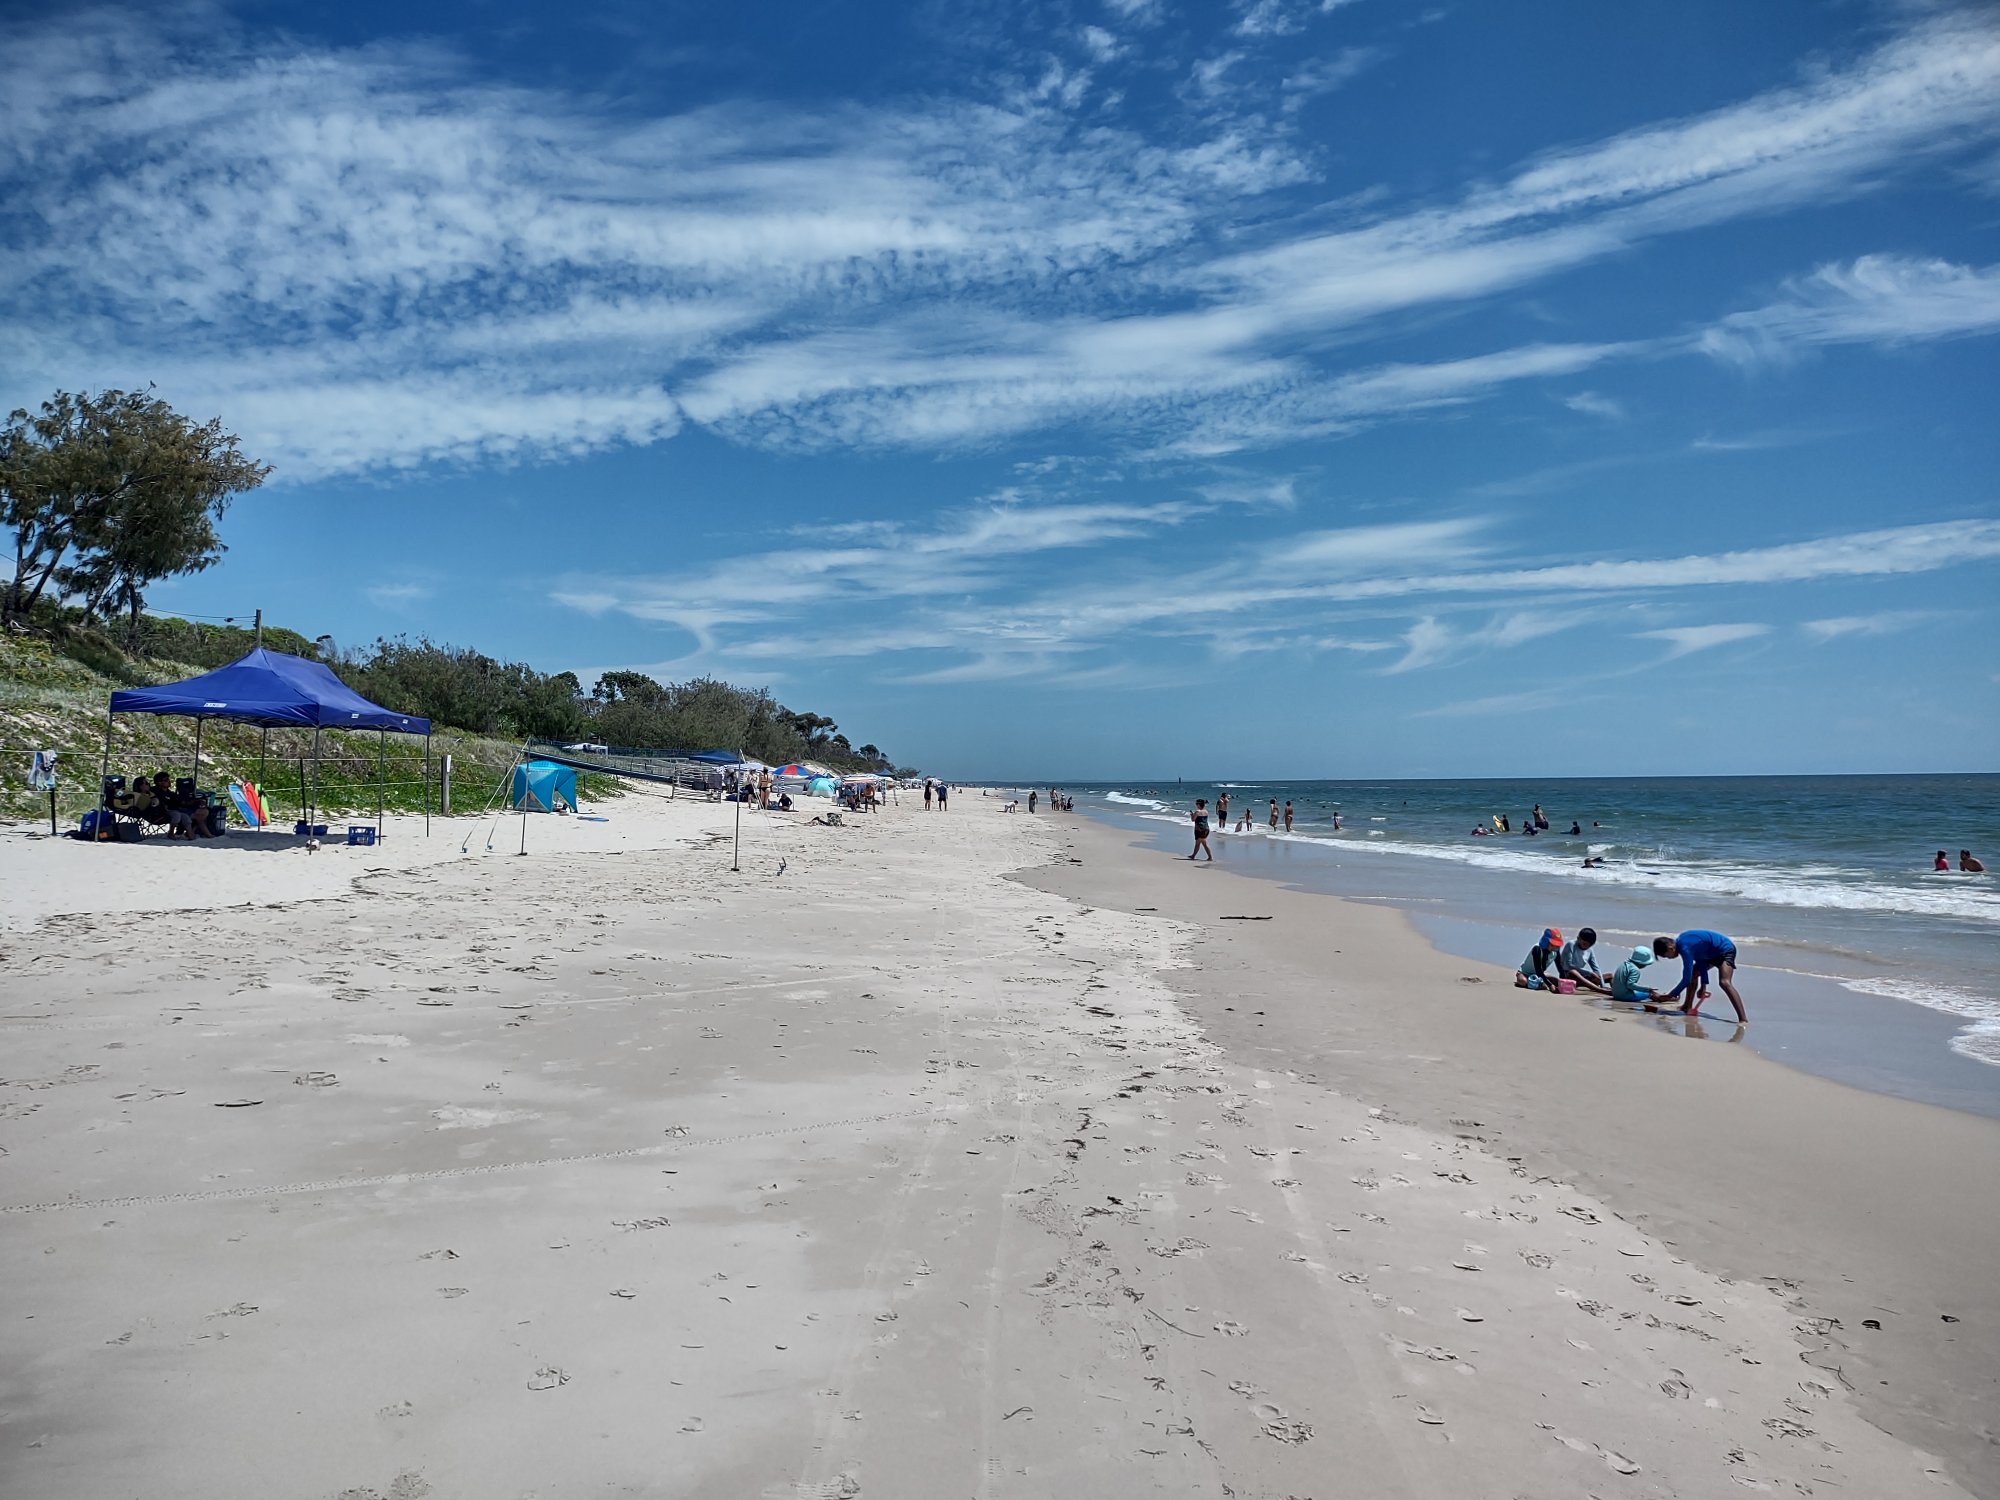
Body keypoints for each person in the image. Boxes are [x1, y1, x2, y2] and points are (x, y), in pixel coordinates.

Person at [1650, 930, 1745, 1022]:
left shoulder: (1685, 948)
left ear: (1671, 948)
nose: (1669, 959)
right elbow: (1701, 961)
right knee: (1694, 973)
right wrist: (1703, 986)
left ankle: (1743, 1018)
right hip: (1710, 955)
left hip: (1726, 950)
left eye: (1667, 956)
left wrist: (1670, 995)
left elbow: (1686, 979)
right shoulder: (1683, 943)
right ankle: (1687, 1006)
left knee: (1724, 982)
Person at [1557, 928, 1611, 994]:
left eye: (1589, 945)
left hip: (1583, 978)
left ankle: (1615, 992)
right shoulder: (1571, 944)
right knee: (1573, 972)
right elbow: (1569, 965)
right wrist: (1589, 973)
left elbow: (1596, 968)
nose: (1586, 947)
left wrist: (1602, 984)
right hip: (1568, 976)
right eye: (1584, 944)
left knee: (1610, 976)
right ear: (1578, 938)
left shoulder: (1590, 950)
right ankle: (1600, 990)